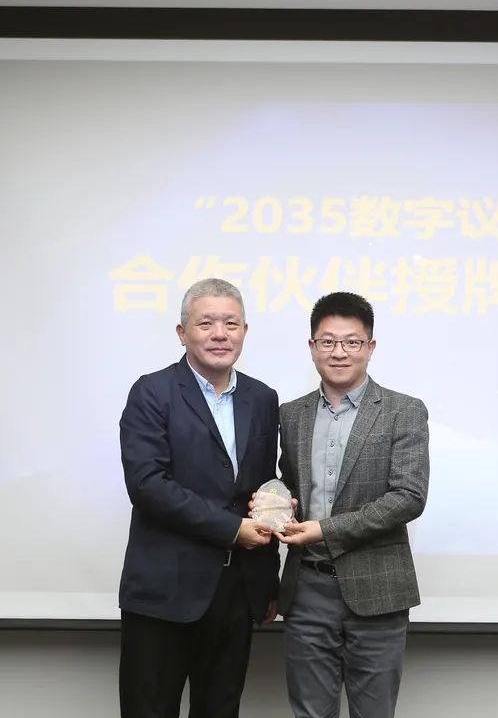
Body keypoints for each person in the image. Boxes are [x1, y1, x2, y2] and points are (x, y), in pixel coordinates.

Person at [118, 278, 280, 718]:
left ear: (245, 331)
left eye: (231, 323)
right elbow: (147, 485)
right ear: (182, 332)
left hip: (236, 592)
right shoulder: (152, 392)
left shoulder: (262, 398)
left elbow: (262, 489)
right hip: (164, 592)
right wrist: (233, 529)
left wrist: (267, 580)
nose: (219, 334)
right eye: (206, 323)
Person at [274, 291, 430, 718]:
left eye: (351, 341)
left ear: (370, 347)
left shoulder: (403, 411)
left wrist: (325, 530)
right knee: (310, 713)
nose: (338, 352)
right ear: (312, 347)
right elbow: (290, 486)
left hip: (379, 590)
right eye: (327, 341)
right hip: (307, 590)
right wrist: (274, 502)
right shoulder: (291, 414)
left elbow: (408, 497)